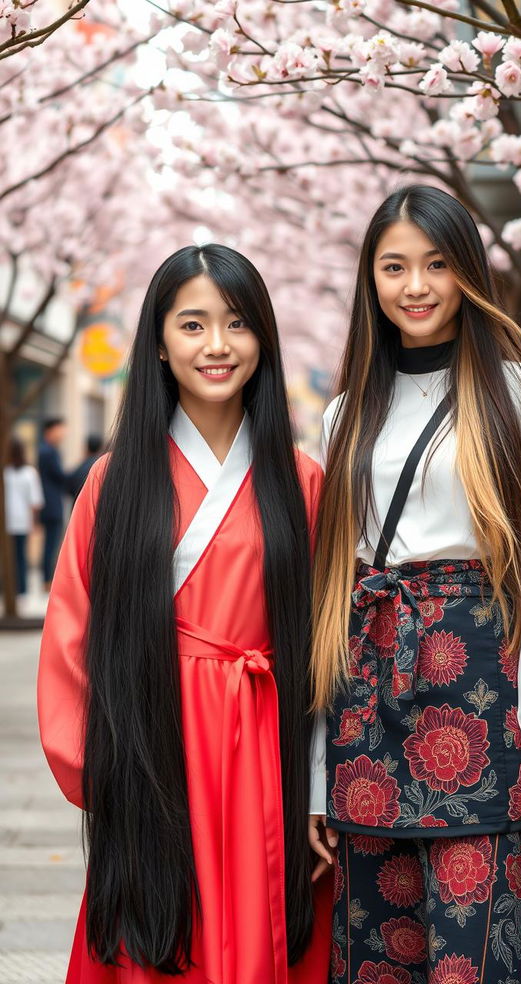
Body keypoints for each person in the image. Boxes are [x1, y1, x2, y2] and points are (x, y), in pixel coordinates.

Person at [308, 186, 521, 984]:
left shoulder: (519, 396)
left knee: (481, 949)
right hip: (370, 710)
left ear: (466, 269)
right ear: (370, 279)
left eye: (436, 264)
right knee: (381, 951)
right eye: (394, 266)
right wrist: (314, 774)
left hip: (481, 702)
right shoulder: (343, 415)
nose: (416, 285)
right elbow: (334, 596)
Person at [37, 245, 330, 983]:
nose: (217, 346)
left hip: (272, 748)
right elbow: (71, 633)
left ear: (263, 337)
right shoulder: (115, 482)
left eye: (236, 323)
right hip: (155, 745)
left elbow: (331, 642)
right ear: (160, 344)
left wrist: (324, 778)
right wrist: (103, 769)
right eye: (192, 325)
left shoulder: (302, 481)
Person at [3, 437, 44, 595]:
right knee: (21, 556)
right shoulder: (29, 473)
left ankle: (9, 588)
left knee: (8, 556)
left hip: (6, 521)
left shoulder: (5, 472)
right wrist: (34, 522)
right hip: (22, 520)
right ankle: (22, 589)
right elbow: (35, 502)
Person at [38, 416, 68, 590]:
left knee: (49, 543)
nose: (63, 433)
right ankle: (47, 580)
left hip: (49, 504)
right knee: (51, 543)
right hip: (52, 505)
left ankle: (46, 579)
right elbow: (60, 476)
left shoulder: (45, 450)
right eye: (60, 429)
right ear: (50, 430)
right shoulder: (49, 451)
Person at [67, 434, 103, 501]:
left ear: (87, 447)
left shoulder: (80, 466)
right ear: (101, 447)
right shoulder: (101, 467)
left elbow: (69, 486)